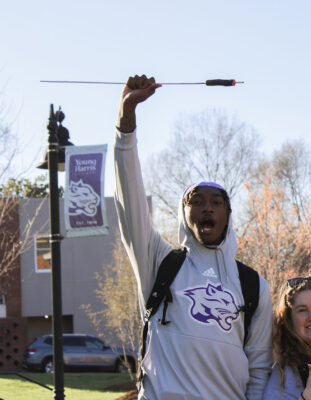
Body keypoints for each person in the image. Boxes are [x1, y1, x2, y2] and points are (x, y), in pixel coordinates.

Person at [113, 74, 273, 400]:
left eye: (216, 202)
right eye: (196, 201)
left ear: (228, 214)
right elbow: (129, 201)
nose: (207, 209)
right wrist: (125, 120)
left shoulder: (253, 285)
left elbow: (259, 370)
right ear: (183, 215)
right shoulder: (159, 262)